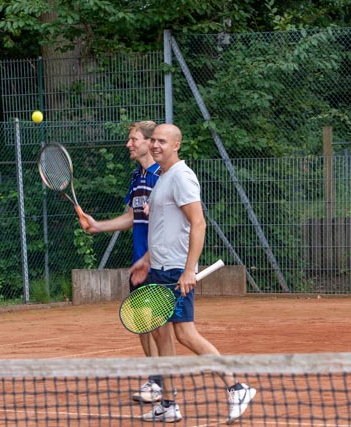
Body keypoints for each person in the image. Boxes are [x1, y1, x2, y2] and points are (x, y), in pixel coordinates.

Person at [129, 123, 256, 424]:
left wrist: (188, 270)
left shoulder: (182, 176)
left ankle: (237, 387)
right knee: (162, 336)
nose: (156, 145)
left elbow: (197, 223)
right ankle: (169, 404)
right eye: (154, 141)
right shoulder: (162, 178)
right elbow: (164, 228)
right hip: (159, 269)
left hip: (175, 270)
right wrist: (147, 259)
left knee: (185, 333)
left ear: (176, 145)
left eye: (162, 141)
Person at [79, 120, 173, 404]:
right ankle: (155, 380)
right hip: (139, 261)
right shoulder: (137, 177)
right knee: (143, 322)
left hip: (160, 261)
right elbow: (131, 217)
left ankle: (162, 383)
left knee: (162, 326)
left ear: (148, 142)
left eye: (133, 139)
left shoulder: (165, 175)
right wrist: (98, 226)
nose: (128, 144)